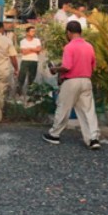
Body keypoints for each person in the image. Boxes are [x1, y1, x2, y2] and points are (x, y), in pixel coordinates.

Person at [42, 21, 101, 150]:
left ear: (68, 32)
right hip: (86, 80)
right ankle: (93, 138)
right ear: (80, 32)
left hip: (71, 82)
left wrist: (55, 69)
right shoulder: (89, 46)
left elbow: (67, 67)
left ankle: (54, 135)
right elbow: (93, 66)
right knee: (88, 111)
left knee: (63, 108)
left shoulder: (69, 47)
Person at [17, 26, 42, 95]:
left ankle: (30, 93)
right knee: (21, 77)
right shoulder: (23, 41)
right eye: (32, 31)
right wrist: (34, 49)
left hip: (34, 61)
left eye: (34, 31)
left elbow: (39, 50)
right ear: (27, 32)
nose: (34, 33)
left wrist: (29, 49)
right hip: (25, 60)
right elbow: (23, 52)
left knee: (32, 78)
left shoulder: (37, 40)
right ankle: (19, 92)